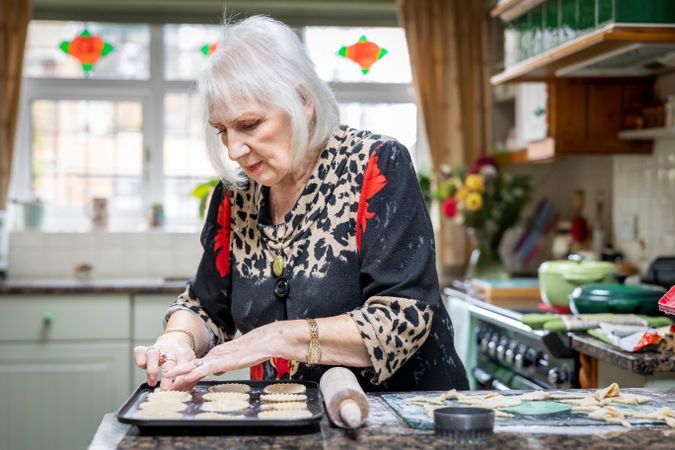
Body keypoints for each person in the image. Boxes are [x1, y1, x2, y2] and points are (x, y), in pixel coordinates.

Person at [133, 15, 468, 392]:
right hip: (292, 418)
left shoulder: (375, 165)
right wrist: (178, 339)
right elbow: (206, 307)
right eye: (222, 131)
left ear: (304, 102)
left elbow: (401, 318)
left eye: (249, 124)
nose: (234, 149)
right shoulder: (235, 197)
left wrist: (275, 338)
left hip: (402, 415)